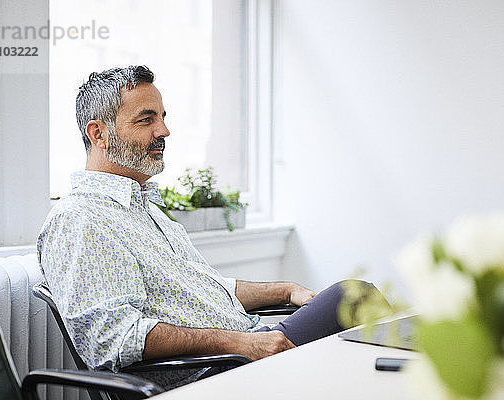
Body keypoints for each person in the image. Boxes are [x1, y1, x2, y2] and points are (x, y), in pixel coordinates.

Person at [37, 65, 389, 390]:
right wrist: (241, 342)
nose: (164, 131)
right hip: (214, 374)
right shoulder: (80, 219)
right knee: (355, 298)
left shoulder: (148, 213)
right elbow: (115, 338)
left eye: (162, 117)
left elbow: (209, 288)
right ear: (98, 134)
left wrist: (284, 290)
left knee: (358, 314)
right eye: (146, 120)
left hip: (246, 348)